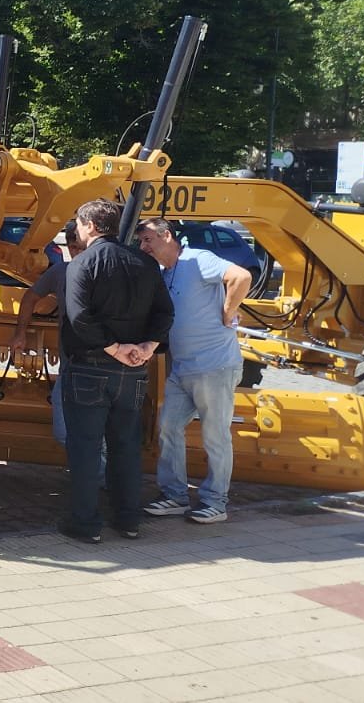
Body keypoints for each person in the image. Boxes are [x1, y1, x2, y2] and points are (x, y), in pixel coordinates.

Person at [58, 199, 174, 543]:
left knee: (85, 448)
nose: (78, 231)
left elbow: (79, 317)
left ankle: (85, 523)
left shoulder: (82, 263)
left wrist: (113, 347)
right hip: (133, 372)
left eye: (80, 224)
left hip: (90, 368)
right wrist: (147, 347)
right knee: (126, 447)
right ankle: (128, 520)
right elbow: (165, 312)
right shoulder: (145, 262)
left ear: (91, 226)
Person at [135, 217, 253, 524]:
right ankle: (175, 495)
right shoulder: (165, 273)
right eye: (141, 241)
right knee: (168, 426)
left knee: (215, 435)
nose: (143, 247)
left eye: (148, 240)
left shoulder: (198, 259)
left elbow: (241, 276)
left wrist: (228, 312)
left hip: (214, 365)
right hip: (183, 367)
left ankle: (216, 502)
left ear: (167, 236)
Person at [11, 222, 91, 453]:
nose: (78, 253)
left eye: (83, 248)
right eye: (73, 247)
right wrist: (20, 333)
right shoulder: (61, 272)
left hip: (100, 368)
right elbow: (30, 297)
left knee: (95, 434)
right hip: (69, 365)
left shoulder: (107, 272)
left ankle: (95, 470)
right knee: (63, 431)